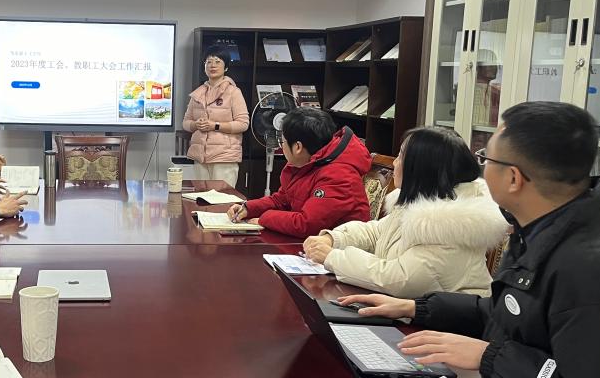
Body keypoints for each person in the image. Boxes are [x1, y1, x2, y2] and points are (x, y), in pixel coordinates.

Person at [341, 102, 600, 378]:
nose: (481, 170)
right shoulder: (543, 226)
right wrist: (418, 308)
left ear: (514, 178)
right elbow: (517, 313)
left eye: (486, 159)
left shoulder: (596, 271)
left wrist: (490, 356)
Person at [302, 126, 508, 298]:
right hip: (411, 313)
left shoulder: (450, 223)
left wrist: (333, 257)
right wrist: (334, 239)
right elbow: (377, 232)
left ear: (420, 168)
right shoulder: (425, 202)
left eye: (400, 156)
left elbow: (399, 279)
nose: (394, 163)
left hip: (449, 328)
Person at [227, 108, 371, 238]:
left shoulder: (339, 175)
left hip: (339, 251)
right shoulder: (307, 161)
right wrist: (249, 208)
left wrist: (264, 218)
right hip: (312, 243)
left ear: (297, 147)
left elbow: (307, 224)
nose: (281, 146)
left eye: (282, 141)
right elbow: (282, 200)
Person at [181, 48, 249, 189]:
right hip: (200, 157)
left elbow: (243, 124)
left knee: (222, 199)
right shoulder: (198, 93)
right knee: (201, 198)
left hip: (224, 157)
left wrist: (215, 125)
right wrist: (196, 124)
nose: (212, 65)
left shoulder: (233, 92)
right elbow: (186, 123)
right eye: (209, 62)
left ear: (226, 67)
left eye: (217, 62)